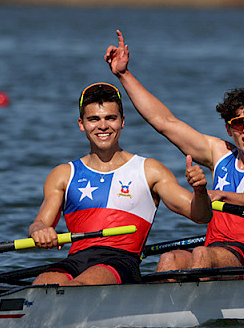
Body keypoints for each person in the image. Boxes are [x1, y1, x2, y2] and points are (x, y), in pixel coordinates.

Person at [104, 30, 244, 270]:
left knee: (202, 255)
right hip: (214, 250)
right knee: (170, 258)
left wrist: (221, 195)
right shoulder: (220, 153)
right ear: (229, 129)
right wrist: (123, 75)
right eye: (238, 123)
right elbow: (165, 122)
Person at [30, 82, 212, 286]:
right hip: (75, 261)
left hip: (121, 262)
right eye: (93, 119)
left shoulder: (149, 170)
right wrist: (40, 230)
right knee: (41, 288)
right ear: (81, 124)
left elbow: (201, 215)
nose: (103, 126)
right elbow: (40, 222)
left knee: (76, 289)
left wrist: (200, 190)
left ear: (122, 121)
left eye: (110, 118)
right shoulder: (63, 174)